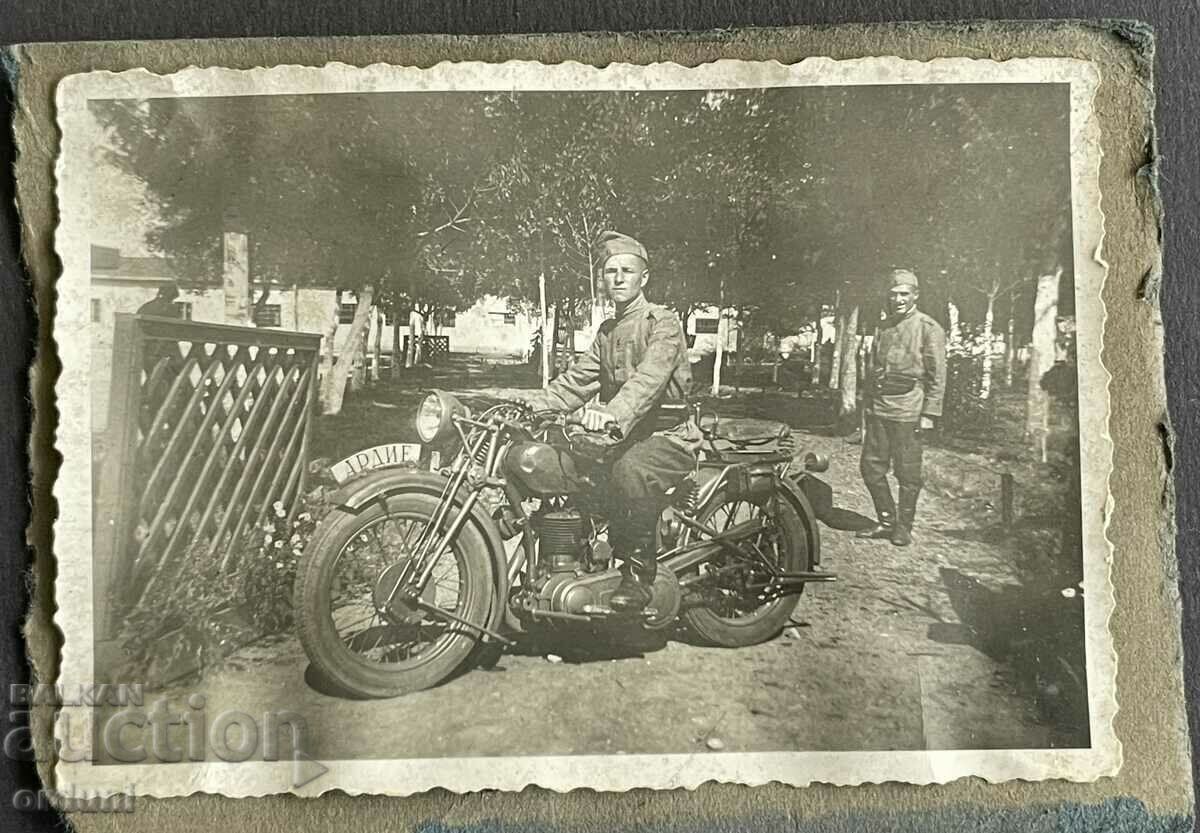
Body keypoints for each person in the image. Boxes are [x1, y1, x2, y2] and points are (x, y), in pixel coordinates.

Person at [524, 231, 698, 612]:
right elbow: (575, 382)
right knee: (568, 467)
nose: (617, 278)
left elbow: (648, 381)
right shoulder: (607, 332)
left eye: (626, 271)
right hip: (622, 434)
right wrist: (530, 405)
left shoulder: (663, 323)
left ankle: (638, 576)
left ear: (644, 277)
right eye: (610, 271)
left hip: (668, 435)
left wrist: (609, 414)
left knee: (629, 470)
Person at [857, 268, 946, 547]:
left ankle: (904, 527)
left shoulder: (928, 328)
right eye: (894, 294)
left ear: (915, 295)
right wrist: (867, 404)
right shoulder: (883, 327)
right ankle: (886, 521)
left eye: (904, 294)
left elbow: (938, 374)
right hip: (880, 407)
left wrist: (930, 413)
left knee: (907, 473)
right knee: (871, 468)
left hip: (909, 410)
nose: (898, 299)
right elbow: (874, 367)